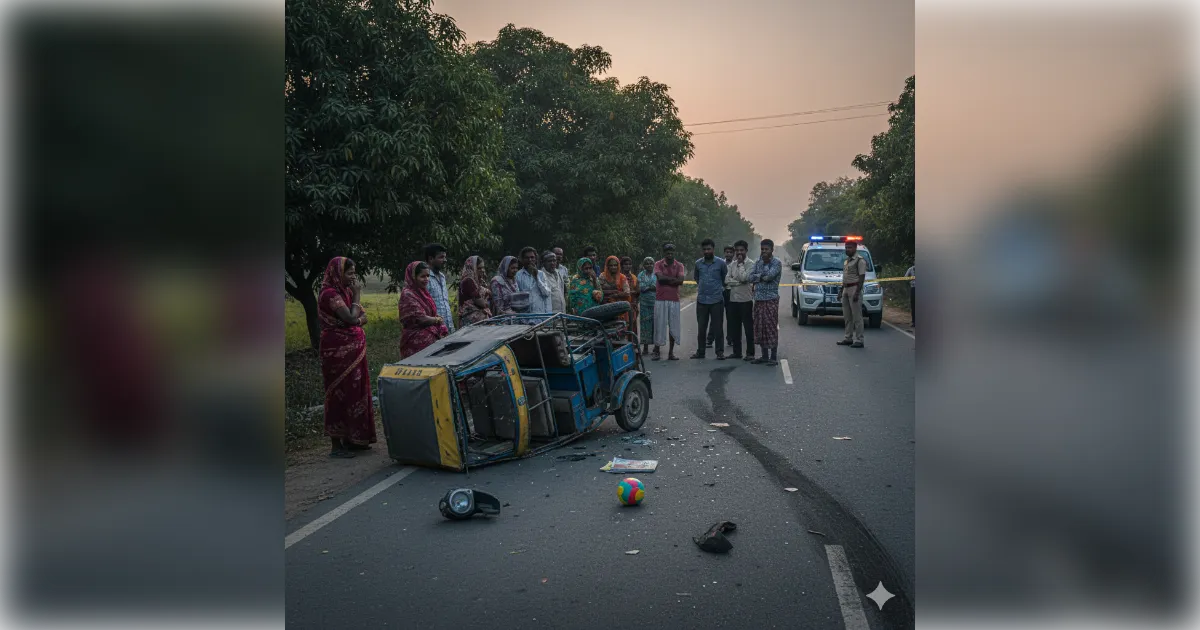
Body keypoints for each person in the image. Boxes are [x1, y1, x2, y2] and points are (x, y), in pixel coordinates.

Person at [317, 256, 375, 458]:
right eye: (349, 273)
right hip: (336, 352)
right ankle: (336, 445)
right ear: (337, 273)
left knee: (355, 391)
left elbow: (360, 318)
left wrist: (356, 319)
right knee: (338, 393)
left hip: (354, 350)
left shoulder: (344, 292)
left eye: (353, 273)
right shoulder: (329, 294)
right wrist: (358, 299)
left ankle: (354, 439)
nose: (353, 277)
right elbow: (352, 318)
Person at [399, 261, 450, 359]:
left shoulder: (423, 292)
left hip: (430, 341)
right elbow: (420, 319)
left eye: (428, 276)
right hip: (415, 343)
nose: (426, 279)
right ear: (413, 277)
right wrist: (437, 320)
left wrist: (435, 319)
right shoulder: (408, 294)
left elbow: (431, 313)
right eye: (423, 276)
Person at [691, 238, 728, 360]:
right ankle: (700, 352)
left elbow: (724, 278)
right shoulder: (698, 264)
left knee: (718, 328)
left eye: (709, 249)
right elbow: (697, 278)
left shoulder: (721, 263)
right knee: (701, 328)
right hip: (702, 300)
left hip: (717, 300)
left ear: (713, 249)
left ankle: (720, 352)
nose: (706, 251)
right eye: (704, 249)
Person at [749, 238, 783, 365]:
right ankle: (764, 356)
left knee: (771, 327)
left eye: (766, 249)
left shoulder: (776, 263)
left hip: (771, 299)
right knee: (760, 327)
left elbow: (769, 277)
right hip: (758, 299)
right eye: (762, 249)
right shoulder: (757, 262)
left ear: (772, 250)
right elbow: (750, 277)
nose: (764, 252)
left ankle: (773, 357)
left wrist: (762, 270)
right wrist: (759, 277)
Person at [652, 243, 686, 361]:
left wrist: (668, 279)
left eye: (671, 252)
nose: (669, 255)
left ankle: (671, 353)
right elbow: (660, 279)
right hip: (660, 298)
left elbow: (681, 281)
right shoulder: (658, 264)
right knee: (659, 324)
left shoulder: (679, 265)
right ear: (664, 253)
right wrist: (674, 280)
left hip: (674, 299)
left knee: (673, 326)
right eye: (667, 253)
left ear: (674, 253)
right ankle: (656, 351)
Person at [725, 240, 754, 360]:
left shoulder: (751, 264)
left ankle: (750, 353)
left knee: (748, 328)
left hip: (745, 300)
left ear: (746, 251)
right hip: (733, 299)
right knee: (735, 327)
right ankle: (737, 352)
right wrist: (738, 282)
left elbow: (745, 278)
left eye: (741, 250)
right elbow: (726, 280)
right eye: (737, 250)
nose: (739, 253)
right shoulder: (732, 264)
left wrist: (741, 265)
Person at [837, 239, 868, 348]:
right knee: (847, 316)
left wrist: (857, 293)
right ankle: (848, 338)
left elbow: (861, 278)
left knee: (857, 317)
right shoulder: (846, 261)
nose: (847, 249)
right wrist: (841, 291)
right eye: (846, 247)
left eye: (850, 247)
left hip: (854, 288)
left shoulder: (860, 261)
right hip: (846, 288)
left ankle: (859, 340)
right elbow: (845, 278)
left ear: (855, 248)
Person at [422, 243, 454, 334]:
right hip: (433, 328)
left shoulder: (442, 276)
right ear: (431, 259)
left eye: (445, 257)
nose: (445, 260)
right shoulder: (424, 279)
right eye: (441, 257)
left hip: (448, 326)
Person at [709, 245, 735, 348]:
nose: (728, 254)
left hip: (731, 292)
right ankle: (710, 339)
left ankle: (730, 339)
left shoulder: (735, 264)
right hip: (720, 292)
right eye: (727, 252)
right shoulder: (719, 263)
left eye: (730, 252)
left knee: (731, 317)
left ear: (733, 254)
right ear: (724, 253)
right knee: (716, 317)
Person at [516, 246, 553, 313]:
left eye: (532, 257)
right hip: (524, 315)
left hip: (539, 314)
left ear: (535, 259)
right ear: (522, 259)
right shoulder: (518, 275)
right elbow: (517, 296)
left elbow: (546, 293)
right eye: (526, 258)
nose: (530, 260)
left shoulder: (541, 274)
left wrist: (537, 278)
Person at [457, 255, 492, 326]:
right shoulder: (468, 281)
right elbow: (481, 303)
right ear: (472, 268)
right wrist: (488, 304)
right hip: (472, 320)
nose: (482, 270)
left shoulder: (478, 281)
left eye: (483, 268)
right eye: (479, 268)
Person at [598, 255, 631, 324]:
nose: (613, 267)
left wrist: (616, 294)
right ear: (607, 266)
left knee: (620, 329)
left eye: (615, 265)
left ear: (618, 266)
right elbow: (599, 290)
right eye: (611, 265)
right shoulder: (602, 276)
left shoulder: (622, 277)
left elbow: (627, 293)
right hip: (605, 306)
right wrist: (613, 292)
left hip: (619, 307)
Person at [636, 256, 657, 355]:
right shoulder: (641, 274)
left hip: (656, 303)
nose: (649, 265)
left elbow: (658, 287)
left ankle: (656, 347)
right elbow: (641, 288)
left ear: (654, 264)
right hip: (644, 303)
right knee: (645, 325)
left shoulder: (657, 274)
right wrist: (651, 287)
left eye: (651, 263)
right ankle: (645, 347)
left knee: (656, 324)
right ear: (644, 265)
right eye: (647, 263)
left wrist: (648, 287)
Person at [620, 256, 639, 331]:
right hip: (622, 305)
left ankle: (632, 342)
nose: (628, 266)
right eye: (625, 264)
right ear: (622, 265)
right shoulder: (619, 277)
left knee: (632, 325)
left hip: (632, 305)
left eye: (629, 264)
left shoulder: (634, 277)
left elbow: (638, 291)